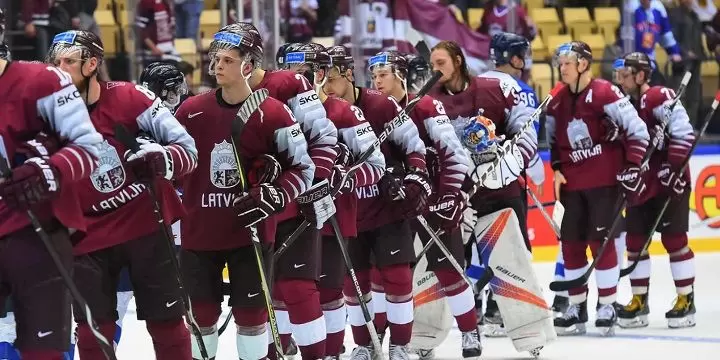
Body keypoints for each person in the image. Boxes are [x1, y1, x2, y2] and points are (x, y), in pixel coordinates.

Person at [44, 29, 198, 359]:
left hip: (146, 227)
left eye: (68, 61)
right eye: (54, 62)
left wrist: (163, 159)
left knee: (167, 324)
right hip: (85, 237)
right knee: (91, 332)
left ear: (92, 64)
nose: (59, 68)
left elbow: (187, 150)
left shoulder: (133, 97)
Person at [174, 24, 315, 360]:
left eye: (227, 59)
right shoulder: (191, 110)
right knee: (201, 317)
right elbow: (169, 163)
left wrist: (278, 194)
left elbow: (304, 168)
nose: (216, 66)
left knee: (251, 319)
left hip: (249, 234)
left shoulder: (273, 112)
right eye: (214, 58)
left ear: (248, 66)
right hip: (198, 235)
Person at [228, 22, 339, 360]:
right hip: (256, 208)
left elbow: (323, 137)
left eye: (229, 57)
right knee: (264, 291)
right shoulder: (225, 92)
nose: (220, 64)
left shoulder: (289, 83)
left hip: (294, 201)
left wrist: (315, 185)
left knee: (297, 288)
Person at [0, 9, 105, 360]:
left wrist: (49, 170)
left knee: (41, 350)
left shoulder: (42, 81)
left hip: (33, 230)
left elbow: (89, 147)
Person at [278, 42, 387, 359]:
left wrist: (347, 176)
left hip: (331, 218)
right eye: (287, 72)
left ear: (321, 73)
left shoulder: (344, 113)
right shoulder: (269, 111)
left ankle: (329, 353)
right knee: (279, 293)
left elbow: (376, 166)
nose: (293, 79)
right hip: (284, 216)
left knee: (328, 294)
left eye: (301, 73)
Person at [369, 50, 480, 358]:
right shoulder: (372, 111)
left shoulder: (427, 106)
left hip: (432, 200)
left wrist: (448, 196)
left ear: (400, 76)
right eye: (374, 76)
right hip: (392, 203)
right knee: (384, 273)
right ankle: (383, 337)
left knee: (447, 269)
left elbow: (454, 154)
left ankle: (470, 331)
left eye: (384, 75)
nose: (377, 81)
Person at [323, 44, 430, 360]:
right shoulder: (321, 111)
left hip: (386, 207)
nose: (325, 88)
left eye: (329, 79)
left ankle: (400, 344)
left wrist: (414, 179)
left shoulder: (382, 106)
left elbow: (415, 148)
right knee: (354, 284)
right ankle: (365, 344)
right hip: (347, 213)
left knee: (397, 277)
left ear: (346, 74)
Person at [428, 39, 537, 337]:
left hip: (499, 190)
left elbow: (525, 133)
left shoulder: (494, 89)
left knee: (510, 255)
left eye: (441, 64)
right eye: (432, 65)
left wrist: (509, 161)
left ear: (458, 61)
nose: (435, 70)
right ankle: (458, 312)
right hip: (457, 195)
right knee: (451, 258)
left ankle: (514, 317)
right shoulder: (428, 100)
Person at [546, 41, 650, 336]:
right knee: (571, 245)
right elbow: (553, 142)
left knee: (600, 243)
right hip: (572, 188)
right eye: (560, 62)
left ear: (583, 64)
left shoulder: (605, 92)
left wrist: (631, 165)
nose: (561, 67)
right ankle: (577, 307)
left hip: (604, 184)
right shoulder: (556, 101)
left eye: (567, 62)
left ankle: (607, 305)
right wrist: (556, 168)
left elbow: (637, 131)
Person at [612, 52, 697, 329]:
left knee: (675, 241)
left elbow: (684, 133)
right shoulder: (624, 104)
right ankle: (639, 302)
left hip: (670, 183)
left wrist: (674, 168)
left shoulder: (660, 96)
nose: (620, 81)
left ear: (640, 76)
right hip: (642, 184)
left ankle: (686, 300)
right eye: (619, 75)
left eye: (626, 75)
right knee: (635, 243)